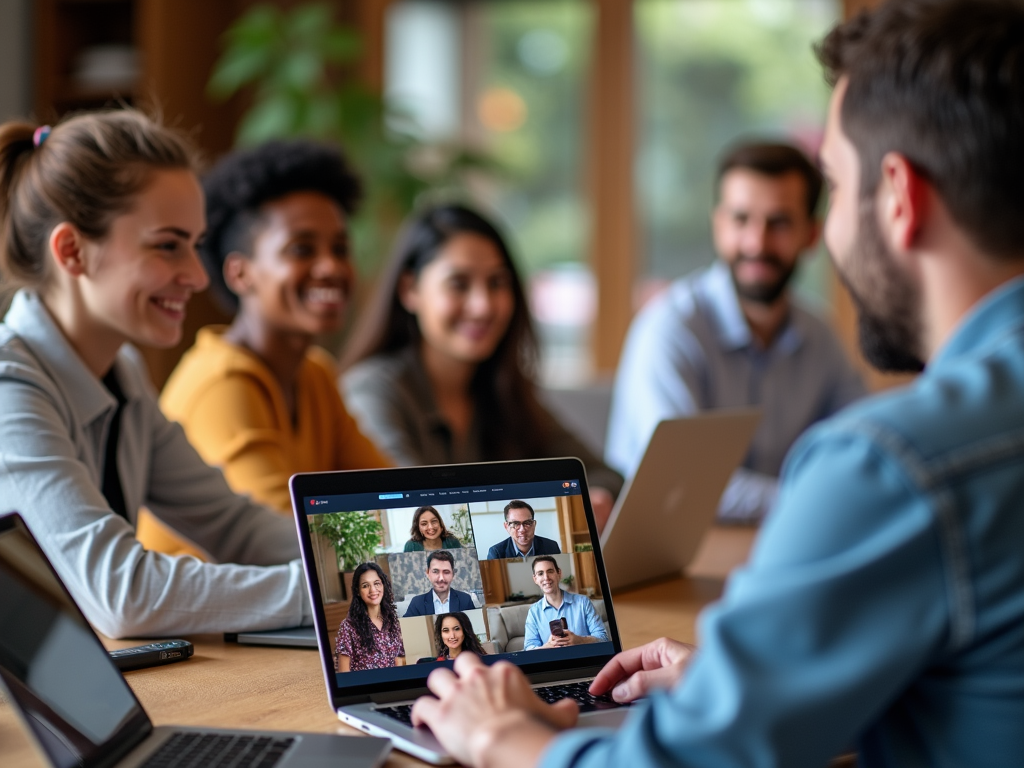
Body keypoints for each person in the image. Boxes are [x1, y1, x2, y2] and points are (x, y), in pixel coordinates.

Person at [409, 1, 1024, 766]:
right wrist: (748, 684)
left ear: (898, 198)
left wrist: (506, 739)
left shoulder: (893, 465)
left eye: (833, 186)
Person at [0, 111, 310, 638]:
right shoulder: (10, 387)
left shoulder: (121, 373)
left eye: (195, 243)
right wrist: (333, 590)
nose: (195, 275)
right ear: (72, 251)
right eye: (168, 245)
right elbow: (123, 594)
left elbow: (231, 525)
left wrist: (379, 562)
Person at [137, 139, 391, 557]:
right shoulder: (223, 385)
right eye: (302, 249)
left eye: (341, 248)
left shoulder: (314, 373)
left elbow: (396, 499)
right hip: (200, 622)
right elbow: (288, 545)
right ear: (240, 273)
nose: (331, 267)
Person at [606, 142, 865, 522]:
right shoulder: (669, 328)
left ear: (811, 235)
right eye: (741, 220)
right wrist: (814, 499)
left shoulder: (821, 334)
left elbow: (858, 446)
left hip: (777, 546)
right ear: (719, 225)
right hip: (668, 562)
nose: (756, 243)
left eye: (778, 223)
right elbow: (685, 483)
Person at [340, 203, 623, 527]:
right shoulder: (372, 392)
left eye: (496, 283)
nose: (483, 305)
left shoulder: (503, 390)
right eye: (459, 283)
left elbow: (606, 476)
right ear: (410, 289)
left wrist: (598, 495)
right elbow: (414, 511)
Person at [523, 556, 607, 651]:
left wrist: (580, 640)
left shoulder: (583, 602)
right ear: (535, 579)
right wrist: (547, 646)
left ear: (559, 573)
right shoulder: (533, 612)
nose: (546, 577)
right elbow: (529, 649)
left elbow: (603, 638)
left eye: (550, 571)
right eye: (540, 573)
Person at [335, 562, 405, 672]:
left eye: (377, 583)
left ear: (383, 585)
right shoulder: (348, 626)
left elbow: (398, 660)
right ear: (357, 591)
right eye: (365, 585)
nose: (373, 590)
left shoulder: (393, 621)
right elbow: (344, 673)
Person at [404, 550, 476, 617]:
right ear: (428, 573)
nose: (441, 578)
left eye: (446, 572)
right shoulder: (417, 603)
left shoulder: (465, 600)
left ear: (453, 574)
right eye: (435, 572)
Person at [486, 500, 560, 560]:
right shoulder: (496, 553)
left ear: (534, 524)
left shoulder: (551, 547)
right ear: (506, 527)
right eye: (515, 523)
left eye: (527, 523)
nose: (522, 529)